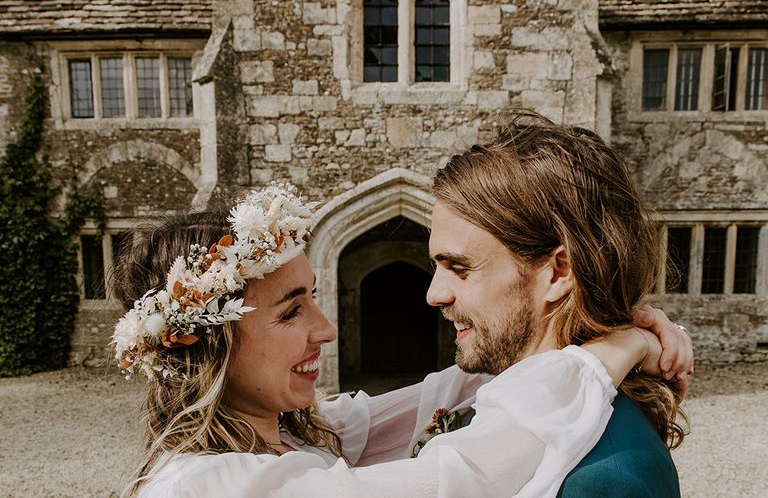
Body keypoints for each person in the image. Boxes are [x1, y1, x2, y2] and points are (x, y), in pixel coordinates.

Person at [112, 183, 690, 497]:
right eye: (292, 312)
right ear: (208, 345)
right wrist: (619, 350)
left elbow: (452, 390)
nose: (328, 329)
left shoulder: (297, 432)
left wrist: (601, 322)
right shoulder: (205, 487)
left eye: (314, 296)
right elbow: (458, 478)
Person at [426, 111, 690, 497]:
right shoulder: (490, 394)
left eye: (460, 268)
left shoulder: (607, 480)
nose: (435, 294)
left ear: (558, 272)